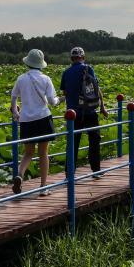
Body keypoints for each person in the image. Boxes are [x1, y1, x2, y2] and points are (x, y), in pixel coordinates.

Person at [10, 49, 59, 196]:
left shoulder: (21, 79)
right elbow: (52, 101)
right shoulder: (46, 79)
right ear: (41, 64)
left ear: (28, 63)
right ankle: (43, 187)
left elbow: (13, 97)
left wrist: (16, 112)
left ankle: (19, 174)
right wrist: (59, 100)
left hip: (26, 120)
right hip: (43, 118)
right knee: (43, 153)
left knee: (28, 153)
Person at [59, 47, 107, 176]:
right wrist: (102, 106)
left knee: (72, 143)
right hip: (90, 110)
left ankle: (69, 173)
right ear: (83, 57)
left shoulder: (66, 73)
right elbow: (96, 88)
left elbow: (64, 92)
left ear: (71, 59)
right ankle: (96, 170)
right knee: (94, 141)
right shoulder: (88, 68)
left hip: (73, 114)